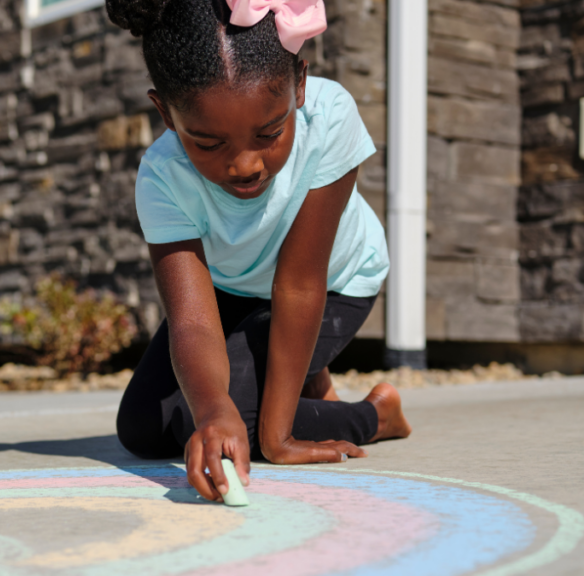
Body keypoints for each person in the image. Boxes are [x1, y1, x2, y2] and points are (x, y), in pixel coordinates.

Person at [109, 0, 413, 502]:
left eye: (270, 133)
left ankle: (376, 415)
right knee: (145, 427)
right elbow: (193, 322)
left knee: (246, 428)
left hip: (329, 284)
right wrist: (212, 410)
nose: (245, 164)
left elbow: (298, 282)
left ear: (299, 84)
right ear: (165, 112)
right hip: (233, 289)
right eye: (208, 143)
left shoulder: (329, 117)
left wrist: (278, 437)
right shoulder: (162, 175)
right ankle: (298, 374)